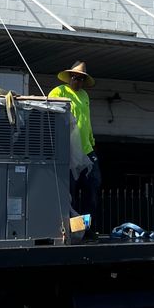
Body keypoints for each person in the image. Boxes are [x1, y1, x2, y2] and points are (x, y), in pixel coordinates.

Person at [49, 61, 100, 233]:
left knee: (92, 188)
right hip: (68, 150)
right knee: (69, 190)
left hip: (86, 149)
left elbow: (86, 120)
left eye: (81, 79)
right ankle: (71, 229)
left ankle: (88, 229)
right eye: (75, 77)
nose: (78, 81)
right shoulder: (59, 91)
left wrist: (92, 140)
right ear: (69, 78)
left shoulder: (85, 95)